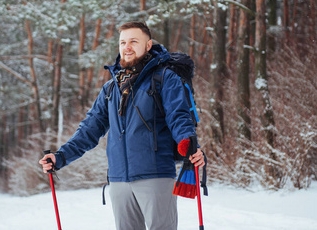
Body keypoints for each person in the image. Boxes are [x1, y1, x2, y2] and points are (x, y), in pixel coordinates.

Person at [39, 21, 205, 230]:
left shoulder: (164, 78)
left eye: (134, 41)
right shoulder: (111, 88)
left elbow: (178, 115)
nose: (127, 47)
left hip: (155, 175)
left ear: (148, 45)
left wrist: (186, 142)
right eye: (123, 42)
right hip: (119, 180)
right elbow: (89, 129)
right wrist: (60, 156)